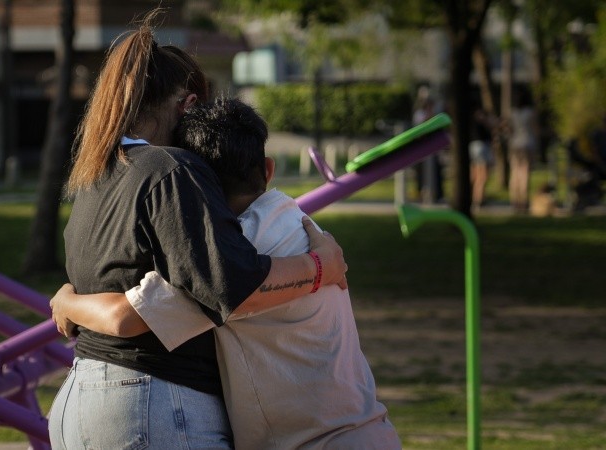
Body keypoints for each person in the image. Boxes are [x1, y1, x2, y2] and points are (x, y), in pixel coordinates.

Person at [47, 11, 349, 450]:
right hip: (151, 401)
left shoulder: (96, 177)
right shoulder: (173, 168)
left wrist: (67, 302)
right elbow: (232, 286)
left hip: (77, 399)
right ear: (188, 105)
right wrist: (321, 266)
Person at [51, 98, 400, 449]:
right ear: (268, 169)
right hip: (365, 431)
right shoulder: (301, 225)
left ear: (195, 185)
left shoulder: (228, 256)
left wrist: (66, 302)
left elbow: (123, 318)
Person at [507, 91, 539, 213]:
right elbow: (535, 129)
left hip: (515, 144)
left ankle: (515, 201)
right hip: (527, 143)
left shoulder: (512, 113)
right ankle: (524, 201)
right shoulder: (530, 113)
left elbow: (509, 130)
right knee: (525, 173)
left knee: (515, 173)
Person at [469, 107, 496, 210]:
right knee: (483, 177)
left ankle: (475, 198)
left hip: (472, 148)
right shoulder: (483, 124)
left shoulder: (471, 124)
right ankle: (479, 199)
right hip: (482, 148)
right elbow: (491, 137)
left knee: (476, 177)